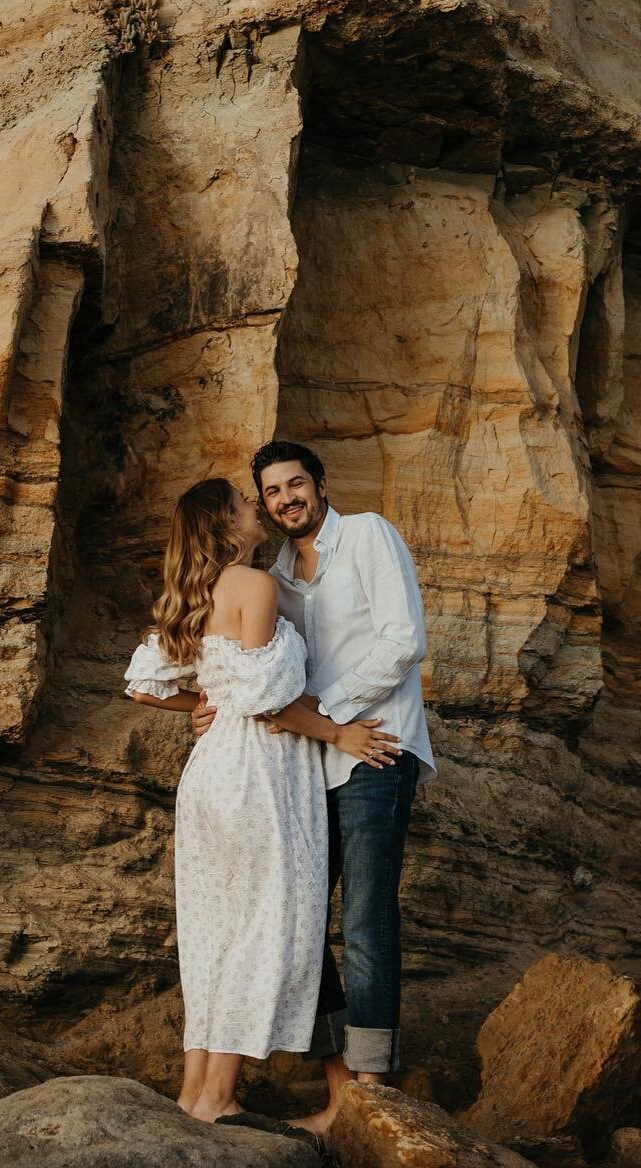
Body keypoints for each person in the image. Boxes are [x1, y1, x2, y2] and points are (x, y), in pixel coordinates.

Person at [122, 477, 401, 1125]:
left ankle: (195, 1094)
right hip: (258, 777)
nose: (258, 508)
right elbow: (270, 699)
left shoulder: (191, 595)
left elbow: (141, 684)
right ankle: (218, 1098)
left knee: (215, 934)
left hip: (211, 777)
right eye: (247, 505)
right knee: (265, 932)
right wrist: (338, 732)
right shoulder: (254, 586)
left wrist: (199, 706)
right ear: (226, 523)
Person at [192, 442, 436, 1135]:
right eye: (271, 492)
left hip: (376, 751)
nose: (286, 499)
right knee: (298, 925)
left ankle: (371, 1092)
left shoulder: (368, 536)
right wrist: (210, 705)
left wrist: (329, 714)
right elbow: (256, 670)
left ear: (321, 484)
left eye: (295, 484)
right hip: (303, 769)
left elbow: (401, 641)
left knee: (363, 919)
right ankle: (339, 1096)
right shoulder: (272, 575)